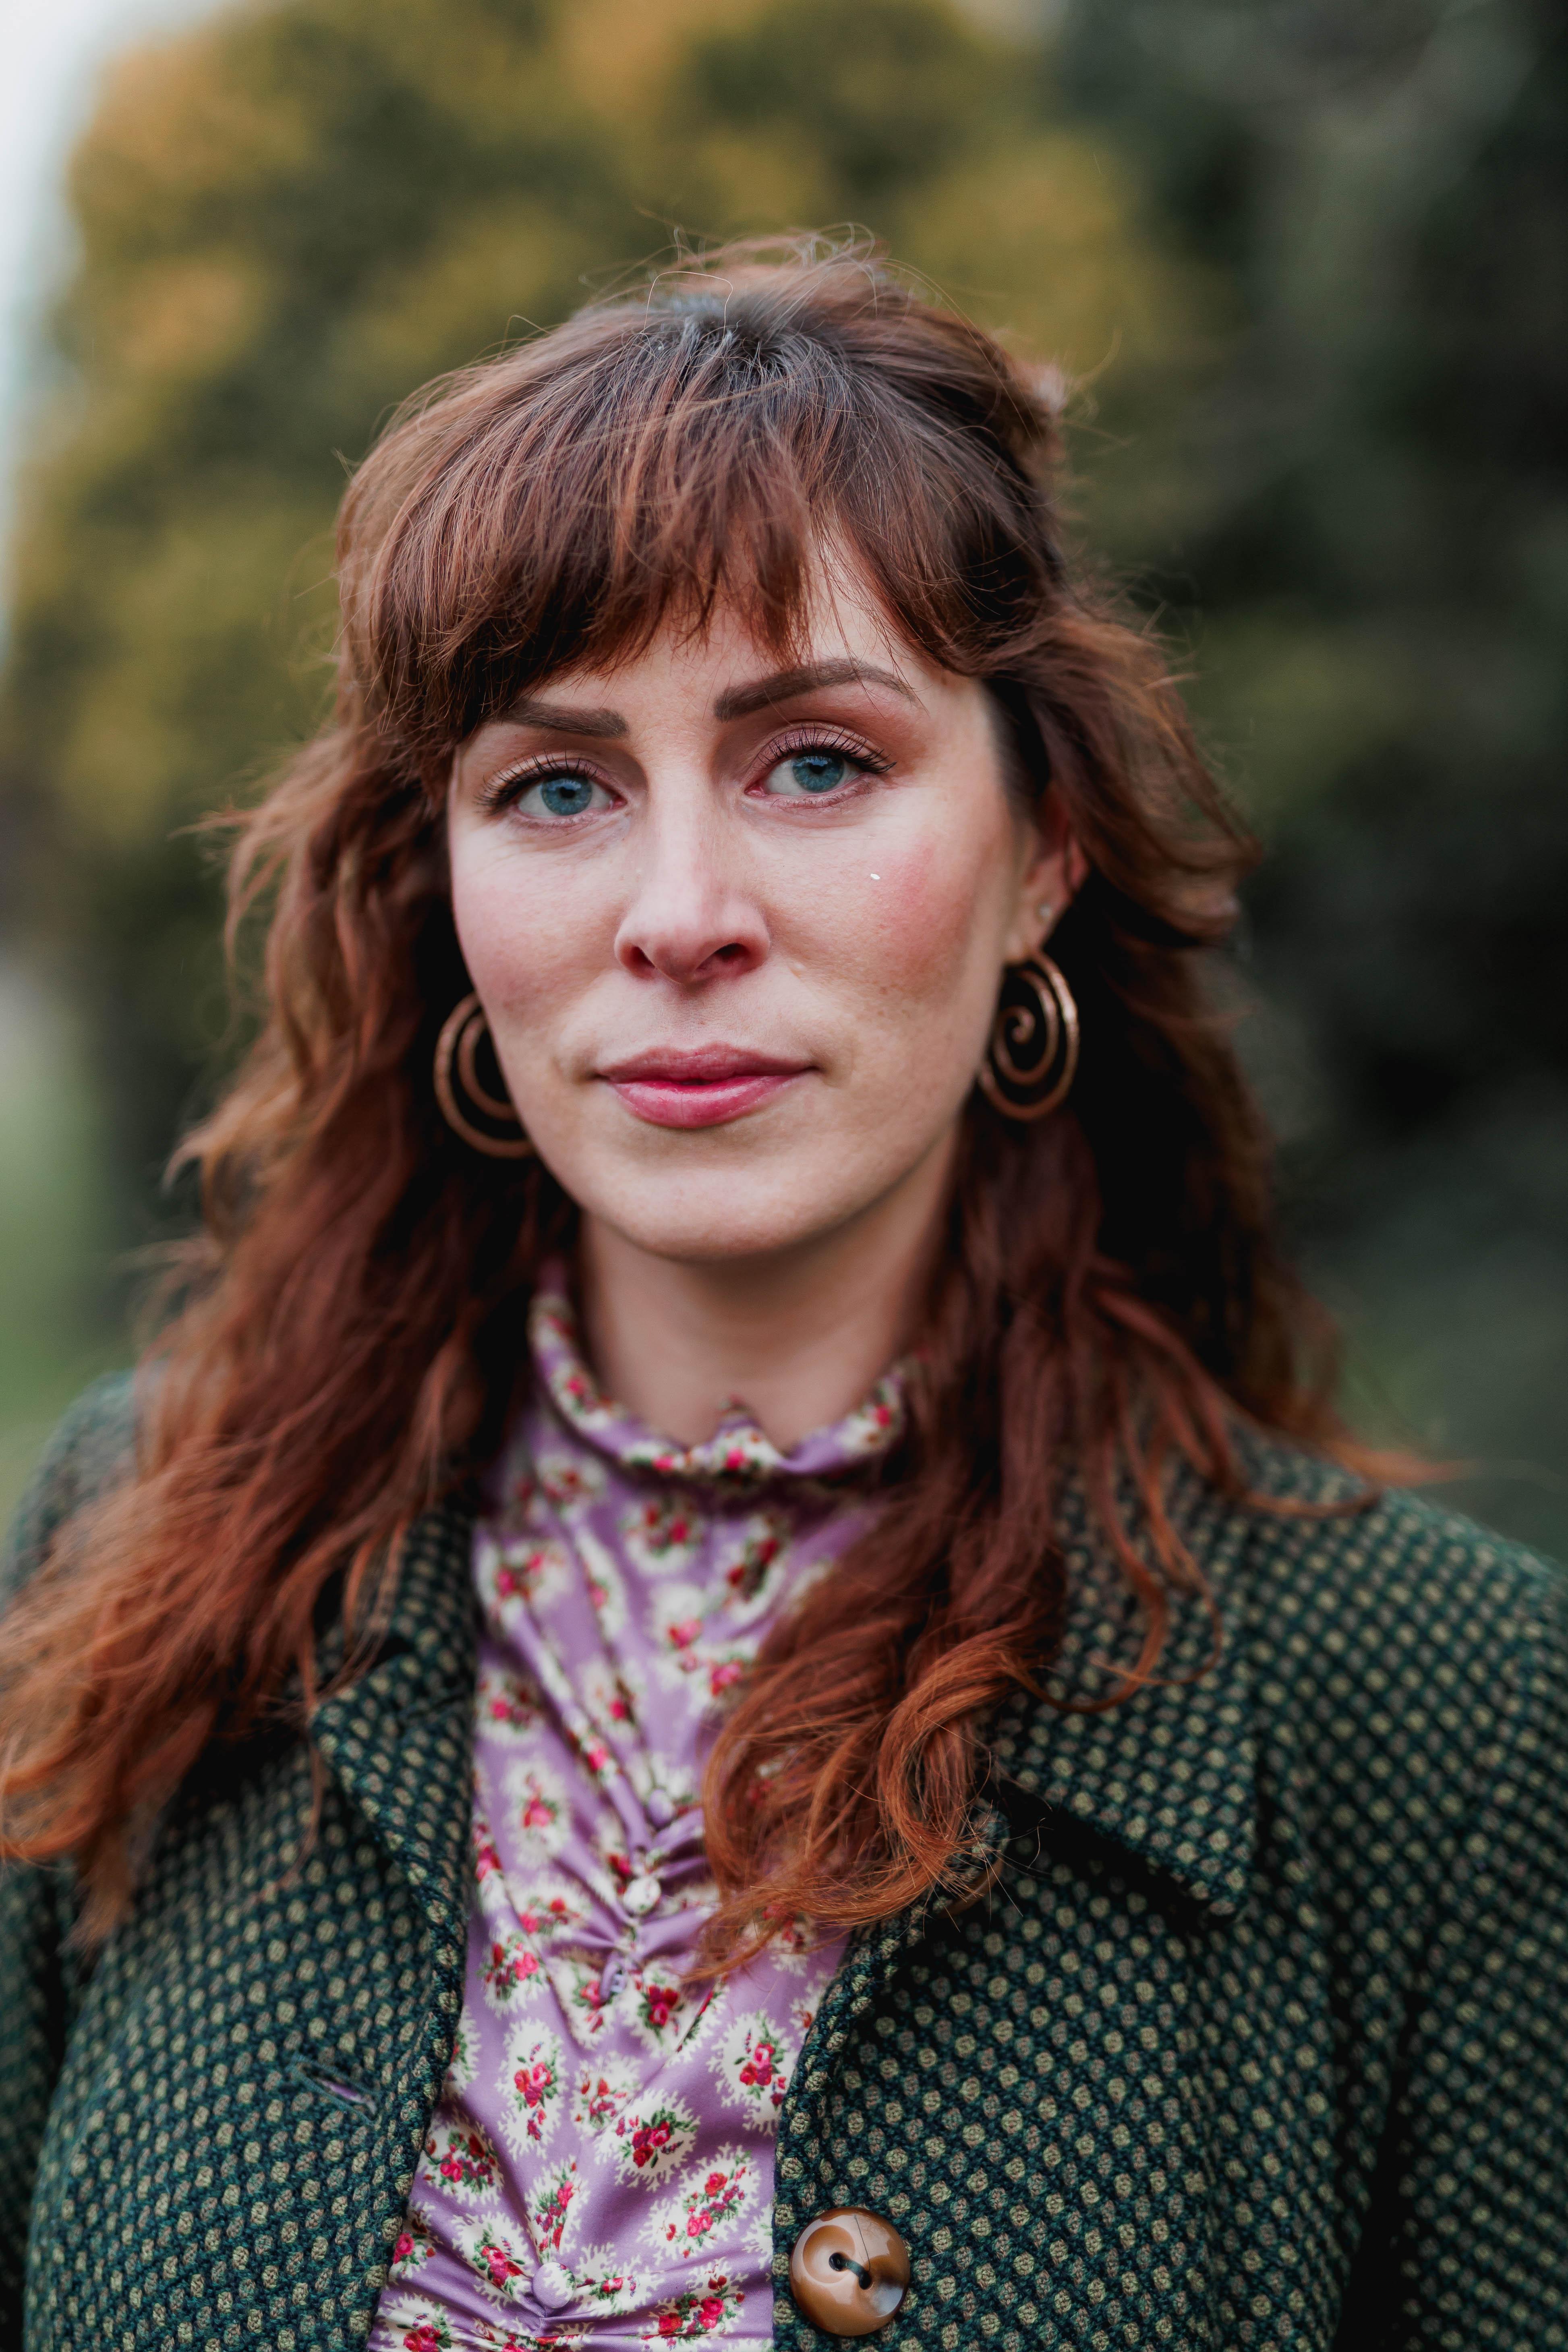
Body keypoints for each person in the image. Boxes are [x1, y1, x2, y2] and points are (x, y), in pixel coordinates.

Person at [2, 241, 1564, 2352]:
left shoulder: (1444, 1714)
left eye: (814, 761)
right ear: (449, 888)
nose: (678, 916)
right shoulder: (134, 1556)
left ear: (1042, 851)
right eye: (557, 788)